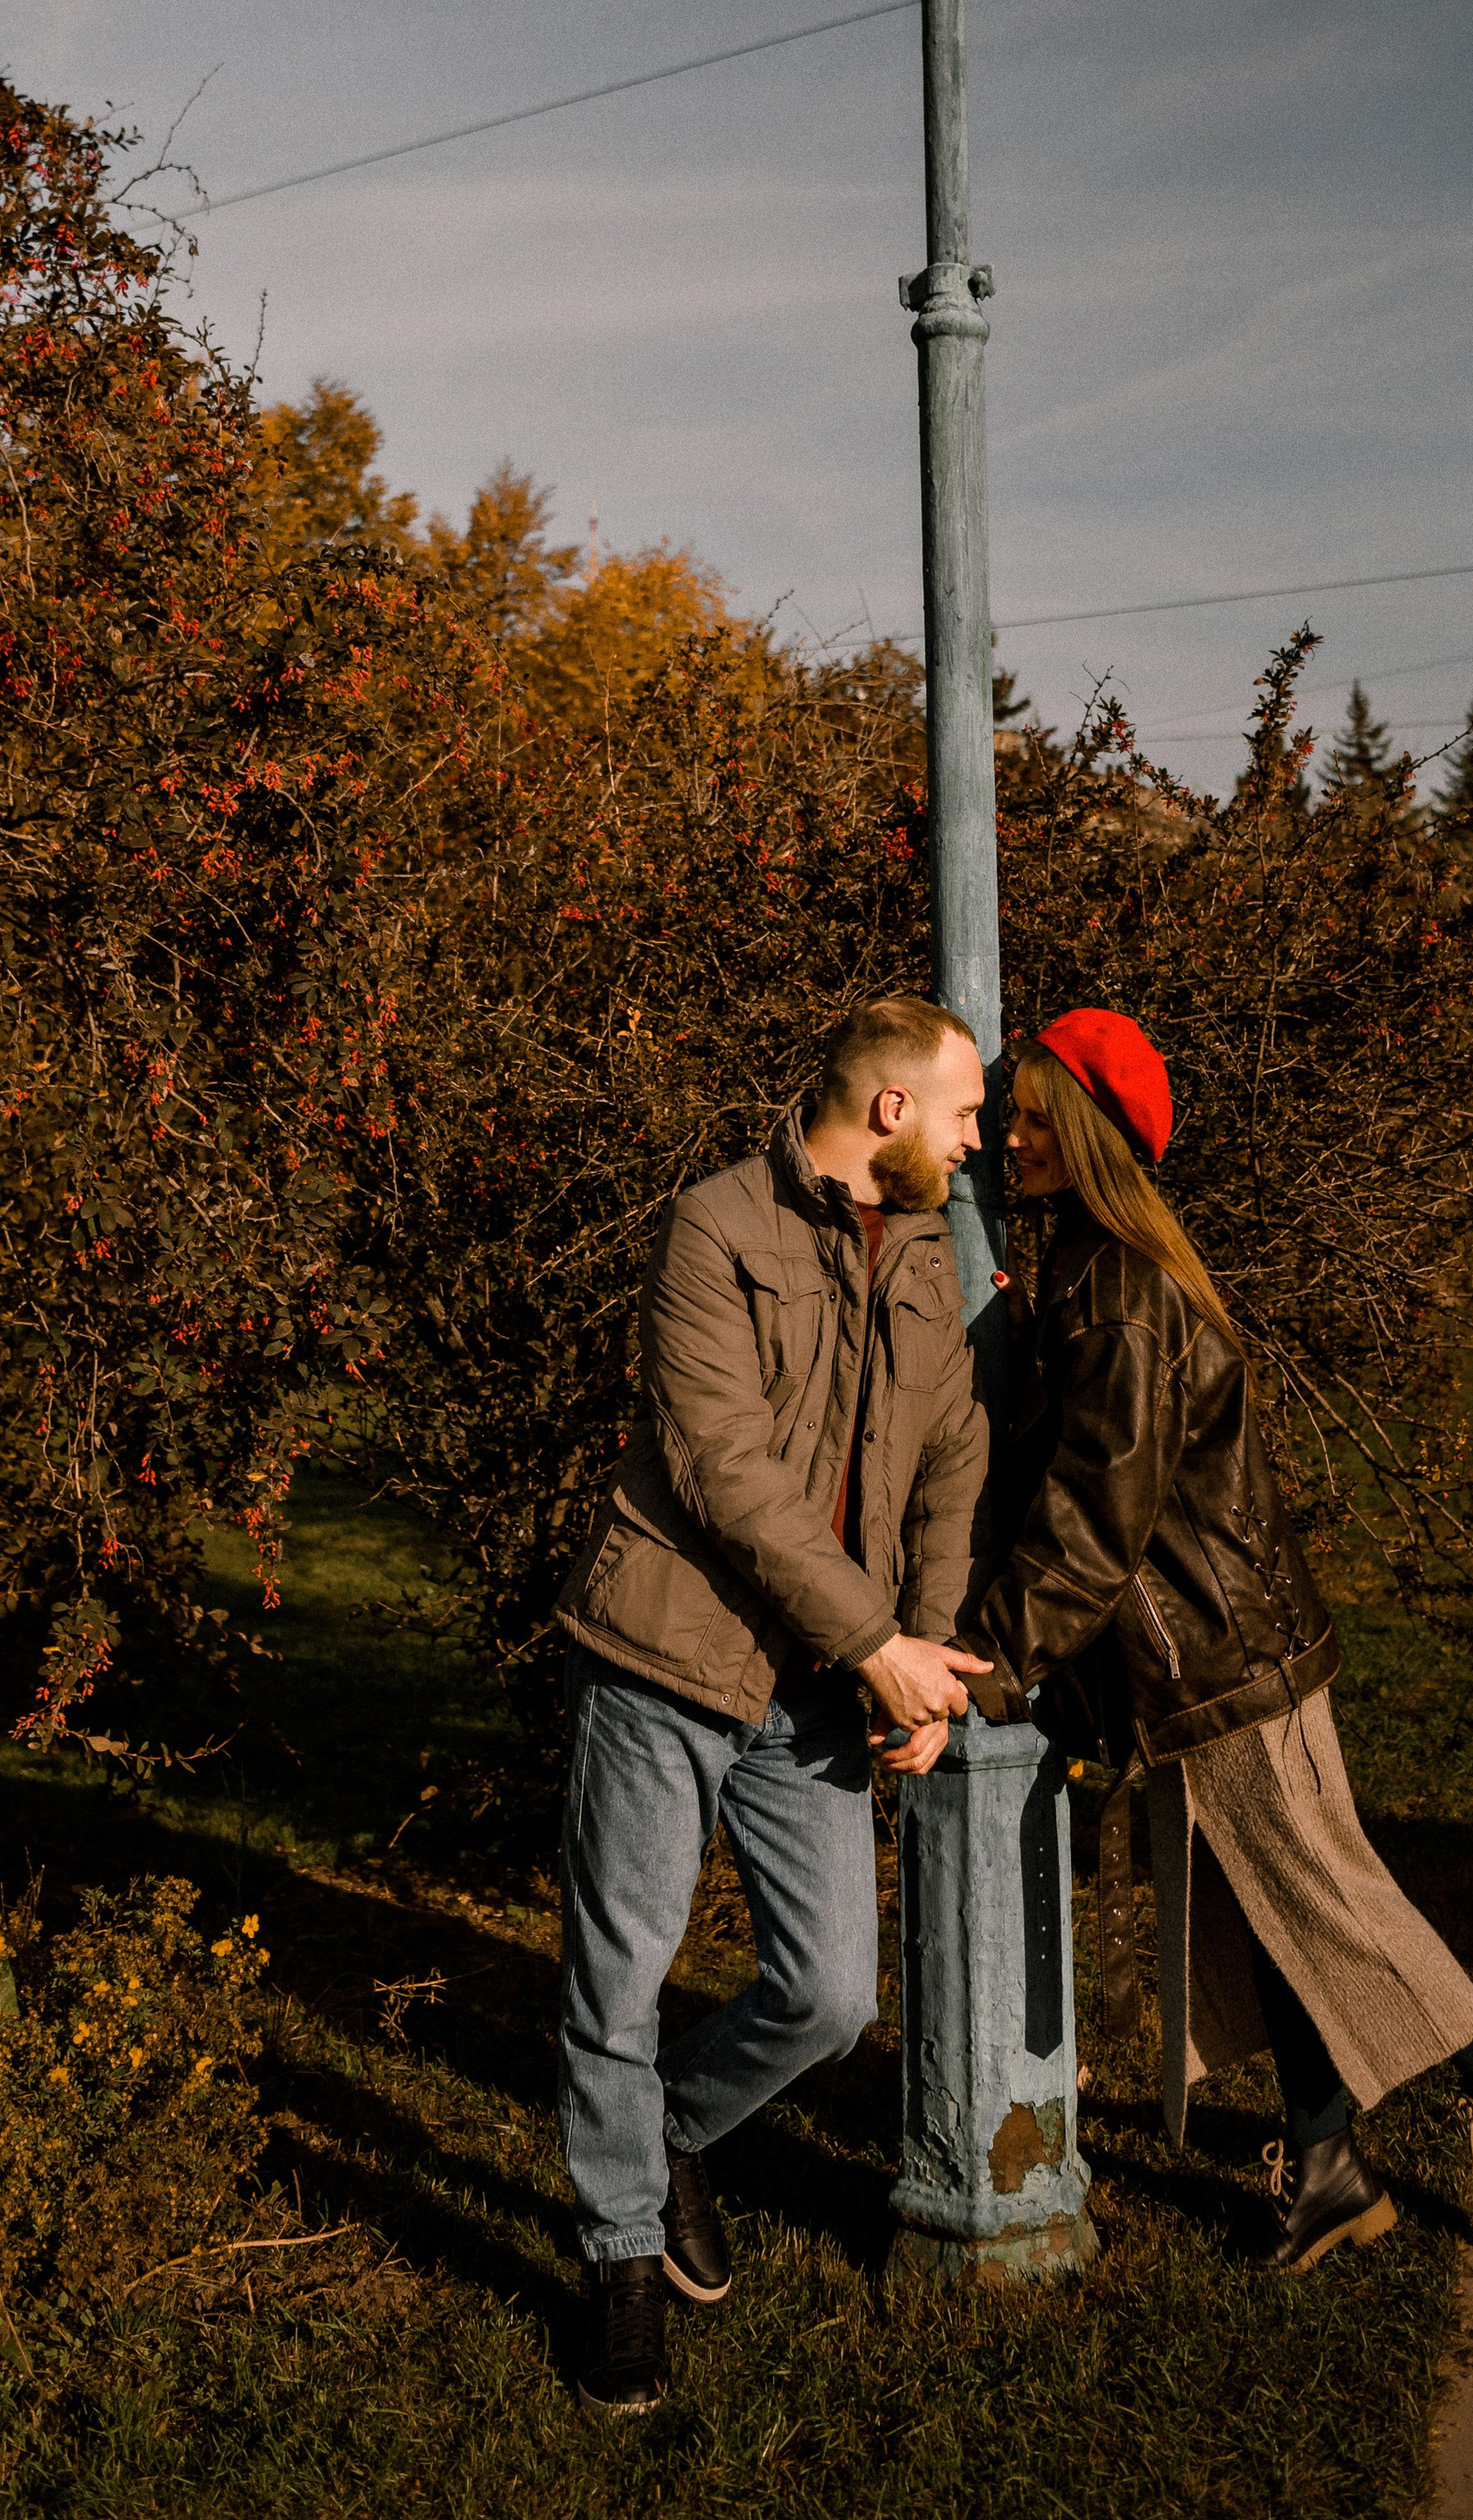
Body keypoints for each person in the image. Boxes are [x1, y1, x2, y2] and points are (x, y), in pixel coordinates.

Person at [974, 1008, 1473, 2277]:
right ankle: (1326, 2165)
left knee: (1325, 1898)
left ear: (1086, 1132)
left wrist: (995, 1650)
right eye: (1013, 1109)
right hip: (1216, 1649)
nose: (1012, 1133)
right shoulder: (1101, 1265)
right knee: (1277, 1911)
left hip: (1219, 1659)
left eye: (1037, 1113)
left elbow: (1099, 1512)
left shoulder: (1120, 1291)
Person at [552, 997, 994, 2415]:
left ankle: (663, 2138)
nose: (979, 1139)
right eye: (965, 1111)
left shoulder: (926, 1250)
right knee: (618, 1979)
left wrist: (922, 1647)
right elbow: (723, 1470)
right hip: (666, 1664)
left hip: (817, 1694)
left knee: (827, 1997)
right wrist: (880, 1647)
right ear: (888, 1115)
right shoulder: (715, 1230)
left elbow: (953, 1454)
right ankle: (620, 2261)